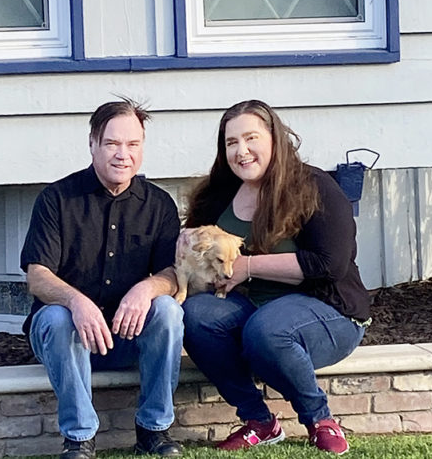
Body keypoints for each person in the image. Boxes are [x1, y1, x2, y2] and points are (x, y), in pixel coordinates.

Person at [181, 100, 371, 455]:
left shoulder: (315, 186)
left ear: (275, 138)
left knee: (268, 328)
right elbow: (197, 250)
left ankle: (320, 420)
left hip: (327, 310)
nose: (241, 151)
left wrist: (249, 267)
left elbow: (329, 264)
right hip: (250, 309)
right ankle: (260, 422)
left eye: (251, 138)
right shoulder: (218, 194)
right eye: (231, 142)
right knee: (195, 316)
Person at [20, 98, 184, 459]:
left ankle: (154, 430)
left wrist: (146, 288)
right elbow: (37, 276)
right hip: (66, 336)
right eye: (112, 143)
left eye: (133, 144)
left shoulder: (159, 205)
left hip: (125, 333)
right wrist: (76, 302)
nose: (123, 155)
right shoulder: (56, 199)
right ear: (93, 144)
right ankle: (79, 438)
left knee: (168, 311)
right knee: (57, 316)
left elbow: (173, 275)